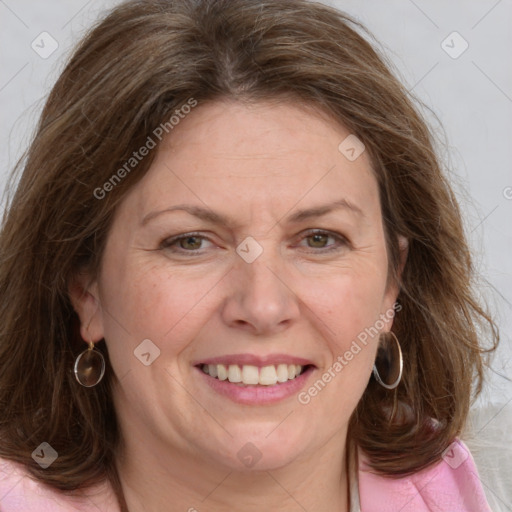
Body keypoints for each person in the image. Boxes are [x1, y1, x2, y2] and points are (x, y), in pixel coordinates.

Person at [0, 0, 499, 510]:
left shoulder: (471, 482)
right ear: (86, 290)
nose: (262, 307)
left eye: (319, 239)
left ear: (392, 283)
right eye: (190, 242)